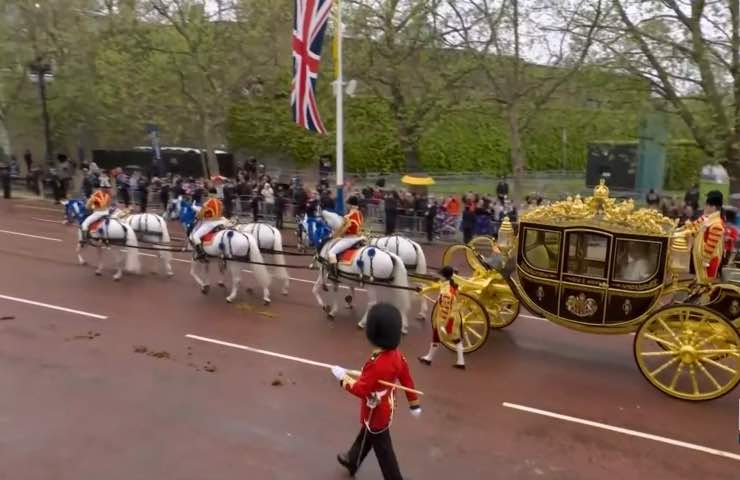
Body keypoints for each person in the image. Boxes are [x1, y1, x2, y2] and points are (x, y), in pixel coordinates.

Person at [331, 303, 421, 480]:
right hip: (385, 406)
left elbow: (361, 389)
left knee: (384, 450)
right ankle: (353, 458)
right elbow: (407, 380)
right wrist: (414, 403)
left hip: (376, 410)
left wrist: (342, 378)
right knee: (367, 432)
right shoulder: (396, 355)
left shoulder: (377, 363)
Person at [418, 266, 466, 369]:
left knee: (444, 337)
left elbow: (445, 307)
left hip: (447, 318)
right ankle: (459, 361)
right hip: (454, 316)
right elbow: (436, 287)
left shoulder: (446, 291)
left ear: (444, 277)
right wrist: (423, 290)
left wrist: (444, 323)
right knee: (451, 338)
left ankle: (430, 358)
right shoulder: (451, 285)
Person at [683, 190, 725, 283]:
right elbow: (694, 227)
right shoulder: (706, 218)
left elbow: (711, 245)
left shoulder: (716, 224)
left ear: (713, 207)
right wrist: (688, 227)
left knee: (705, 283)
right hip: (700, 260)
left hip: (708, 262)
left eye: (706, 204)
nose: (704, 206)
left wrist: (705, 259)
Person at [328, 196, 365, 268]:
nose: (346, 206)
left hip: (349, 239)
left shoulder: (347, 217)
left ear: (350, 205)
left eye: (347, 204)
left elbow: (342, 230)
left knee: (331, 252)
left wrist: (333, 235)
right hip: (359, 237)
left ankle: (333, 270)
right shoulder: (360, 214)